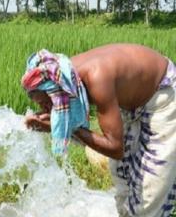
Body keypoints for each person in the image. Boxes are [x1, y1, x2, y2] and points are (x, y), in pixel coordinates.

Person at [21, 44, 176, 217]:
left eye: (47, 103)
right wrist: (58, 124)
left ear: (56, 93)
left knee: (149, 194)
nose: (48, 109)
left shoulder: (96, 78)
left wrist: (69, 127)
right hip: (132, 104)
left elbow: (115, 148)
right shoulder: (63, 76)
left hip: (163, 96)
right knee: (122, 178)